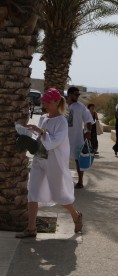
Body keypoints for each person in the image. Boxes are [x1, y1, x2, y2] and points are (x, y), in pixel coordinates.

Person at [16, 88, 83, 238]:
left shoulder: (62, 121)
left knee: (59, 196)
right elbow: (41, 139)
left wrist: (40, 131)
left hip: (54, 164)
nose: (45, 104)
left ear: (57, 101)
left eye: (47, 101)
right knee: (32, 193)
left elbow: (54, 142)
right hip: (39, 160)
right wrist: (27, 135)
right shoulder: (44, 118)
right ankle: (31, 228)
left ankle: (76, 216)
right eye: (44, 101)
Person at [66, 87, 93, 189]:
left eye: (78, 94)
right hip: (63, 138)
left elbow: (88, 120)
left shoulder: (80, 106)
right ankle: (63, 180)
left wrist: (88, 132)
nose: (78, 96)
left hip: (77, 138)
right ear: (69, 94)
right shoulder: (63, 106)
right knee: (62, 159)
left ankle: (80, 181)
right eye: (75, 94)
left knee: (78, 160)